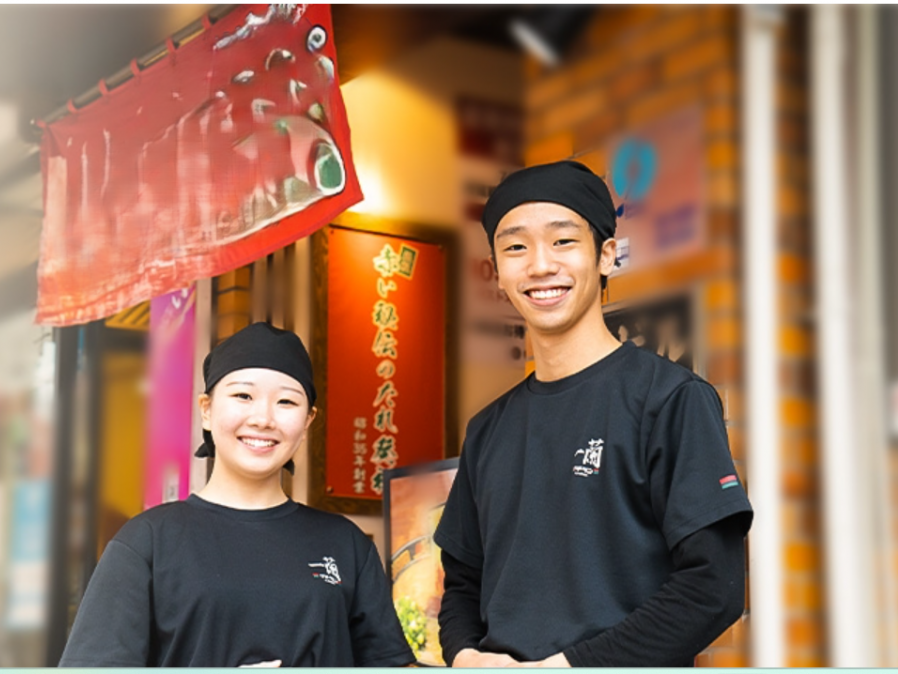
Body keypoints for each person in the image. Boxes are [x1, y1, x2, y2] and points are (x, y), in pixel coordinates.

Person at [434, 160, 753, 668]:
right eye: (516, 248)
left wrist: (569, 666)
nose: (540, 265)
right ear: (496, 271)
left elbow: (713, 588)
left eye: (563, 241)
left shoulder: (670, 399)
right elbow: (463, 584)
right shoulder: (488, 429)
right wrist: (466, 656)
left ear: (605, 255)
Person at [59, 322, 415, 667]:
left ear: (308, 422)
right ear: (207, 410)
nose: (263, 419)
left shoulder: (346, 544)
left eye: (286, 402)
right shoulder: (148, 541)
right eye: (243, 396)